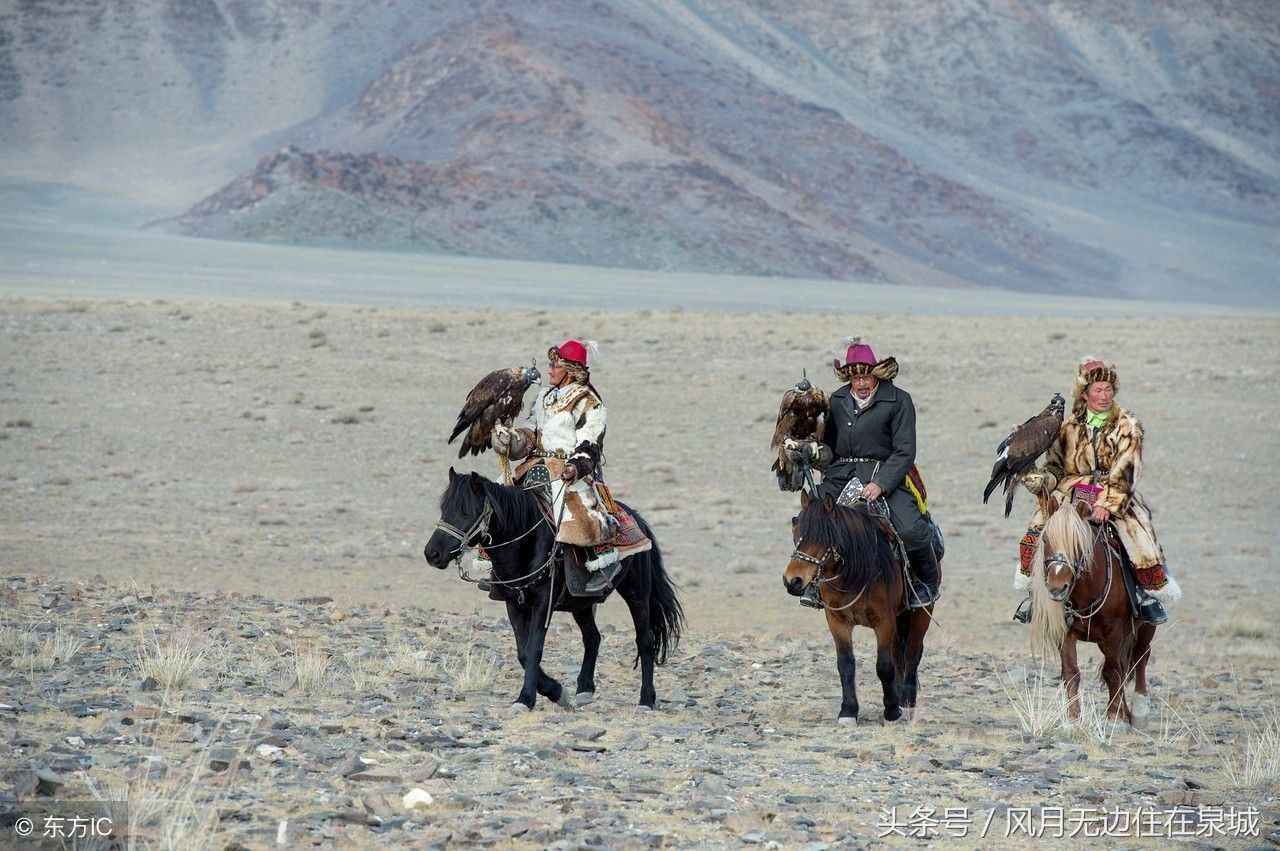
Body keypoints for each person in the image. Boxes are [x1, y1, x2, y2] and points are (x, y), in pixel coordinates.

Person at [1014, 357, 1180, 625]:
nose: (1105, 396)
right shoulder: (1066, 427)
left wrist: (1108, 503)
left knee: (1138, 534)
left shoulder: (1128, 426)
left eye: (1108, 389)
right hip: (1071, 493)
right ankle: (1035, 594)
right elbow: (1055, 467)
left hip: (1113, 492)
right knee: (1036, 532)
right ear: (1084, 394)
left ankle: (1146, 597)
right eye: (1098, 390)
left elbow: (1127, 470)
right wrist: (1043, 481)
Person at [787, 336, 942, 610]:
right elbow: (829, 447)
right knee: (808, 520)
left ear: (877, 374)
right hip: (840, 475)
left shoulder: (899, 401)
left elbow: (905, 451)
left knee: (911, 529)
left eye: (866, 377)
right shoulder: (836, 400)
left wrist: (881, 483)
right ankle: (813, 584)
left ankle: (925, 584)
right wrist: (812, 453)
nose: (861, 383)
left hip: (886, 473)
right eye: (855, 378)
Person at [492, 339, 620, 592]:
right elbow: (530, 430)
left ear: (570, 370)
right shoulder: (544, 397)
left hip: (569, 469)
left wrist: (575, 466)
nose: (549, 370)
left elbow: (590, 441)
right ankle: (496, 567)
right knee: (497, 498)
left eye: (554, 365)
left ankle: (602, 563)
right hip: (534, 464)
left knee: (575, 508)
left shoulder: (589, 401)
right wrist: (510, 440)